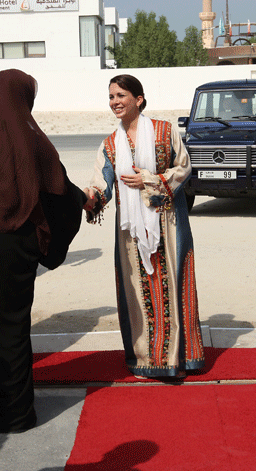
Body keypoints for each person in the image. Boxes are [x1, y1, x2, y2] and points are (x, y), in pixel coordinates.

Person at [0, 69, 85, 433]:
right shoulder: (33, 141)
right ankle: (14, 413)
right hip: (17, 251)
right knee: (12, 327)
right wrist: (80, 206)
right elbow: (60, 194)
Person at [83, 74, 204, 379]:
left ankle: (178, 359)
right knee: (137, 292)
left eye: (121, 95)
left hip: (169, 224)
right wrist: (90, 196)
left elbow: (184, 166)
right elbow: (103, 182)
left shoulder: (165, 132)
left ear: (138, 99)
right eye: (111, 97)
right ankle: (147, 359)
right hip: (130, 232)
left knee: (174, 286)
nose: (115, 102)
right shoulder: (110, 144)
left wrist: (150, 180)